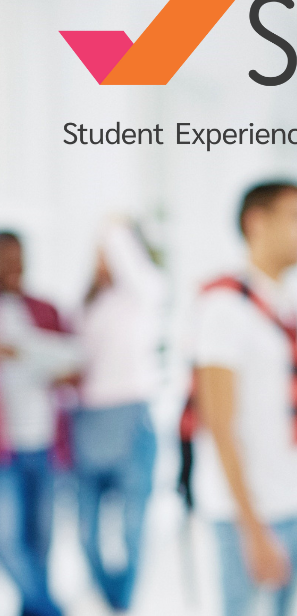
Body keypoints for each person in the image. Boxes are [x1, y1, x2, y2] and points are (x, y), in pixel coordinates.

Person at [188, 182, 297, 616]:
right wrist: (252, 529)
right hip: (249, 513)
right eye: (296, 218)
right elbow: (218, 422)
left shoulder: (286, 303)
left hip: (296, 498)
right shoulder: (223, 307)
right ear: (257, 223)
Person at [74, 220, 166, 612]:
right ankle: (111, 595)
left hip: (131, 418)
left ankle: (123, 602)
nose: (102, 258)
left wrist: (114, 225)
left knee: (132, 527)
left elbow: (136, 271)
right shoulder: (88, 303)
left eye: (108, 249)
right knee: (86, 531)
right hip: (88, 421)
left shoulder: (144, 293)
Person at [0, 231, 81, 616]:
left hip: (46, 443)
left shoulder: (45, 310)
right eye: (5, 261)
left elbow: (75, 368)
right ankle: (51, 610)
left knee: (41, 542)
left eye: (18, 260)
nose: (13, 269)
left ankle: (33, 610)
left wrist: (49, 365)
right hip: (4, 451)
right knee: (7, 541)